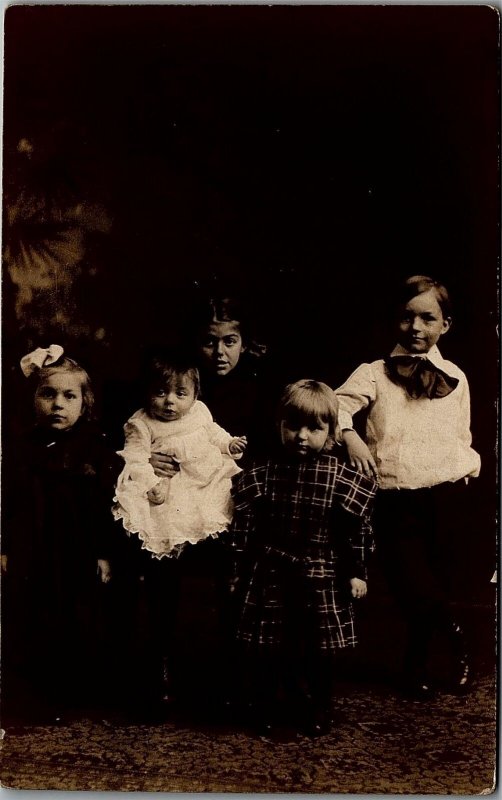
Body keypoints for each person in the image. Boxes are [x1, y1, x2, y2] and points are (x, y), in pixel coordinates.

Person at [335, 275, 481, 699]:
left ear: (445, 325)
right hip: (393, 497)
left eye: (427, 318)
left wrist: (466, 467)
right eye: (406, 318)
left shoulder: (455, 377)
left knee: (432, 581)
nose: (416, 327)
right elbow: (336, 407)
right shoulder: (375, 373)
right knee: (410, 583)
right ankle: (456, 635)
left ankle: (414, 666)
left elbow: (460, 435)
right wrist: (351, 435)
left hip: (444, 493)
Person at [229, 380, 377, 737]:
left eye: (314, 428)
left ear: (330, 433)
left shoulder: (341, 478)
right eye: (293, 426)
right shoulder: (264, 473)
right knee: (269, 646)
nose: (301, 436)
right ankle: (265, 704)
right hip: (273, 571)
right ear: (279, 425)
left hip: (321, 573)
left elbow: (355, 532)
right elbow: (244, 530)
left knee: (318, 650)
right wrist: (238, 572)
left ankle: (318, 706)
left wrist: (356, 571)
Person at [112, 350, 247, 716]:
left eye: (179, 394)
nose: (170, 402)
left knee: (223, 539)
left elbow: (217, 435)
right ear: (146, 393)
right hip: (164, 494)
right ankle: (161, 661)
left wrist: (229, 444)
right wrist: (150, 481)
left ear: (194, 395)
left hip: (203, 488)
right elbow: (135, 459)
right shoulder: (140, 424)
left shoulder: (200, 414)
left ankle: (224, 666)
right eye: (160, 392)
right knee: (161, 561)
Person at [1, 345, 122, 723]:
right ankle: (39, 691)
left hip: (78, 547)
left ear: (85, 403)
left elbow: (108, 506)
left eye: (69, 396)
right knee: (35, 614)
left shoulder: (96, 447)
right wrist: (4, 548)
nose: (58, 404)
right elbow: (8, 502)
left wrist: (104, 553)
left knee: (78, 614)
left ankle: (76, 690)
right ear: (33, 399)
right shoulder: (21, 448)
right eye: (48, 394)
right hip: (34, 546)